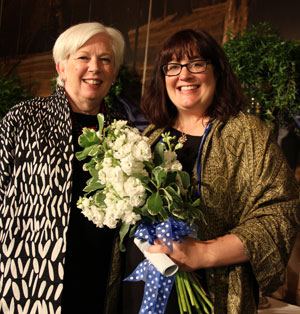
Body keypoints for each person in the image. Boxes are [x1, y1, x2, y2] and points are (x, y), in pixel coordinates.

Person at [122, 29, 300, 313]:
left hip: (211, 296)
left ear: (217, 71)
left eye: (196, 64)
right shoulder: (150, 136)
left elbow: (280, 214)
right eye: (173, 66)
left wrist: (203, 253)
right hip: (138, 290)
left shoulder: (248, 134)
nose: (184, 75)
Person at [0, 22, 144, 313]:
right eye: (83, 57)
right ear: (61, 67)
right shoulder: (23, 119)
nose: (95, 67)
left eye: (105, 60)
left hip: (102, 281)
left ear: (114, 72)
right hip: (32, 280)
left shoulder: (125, 131)